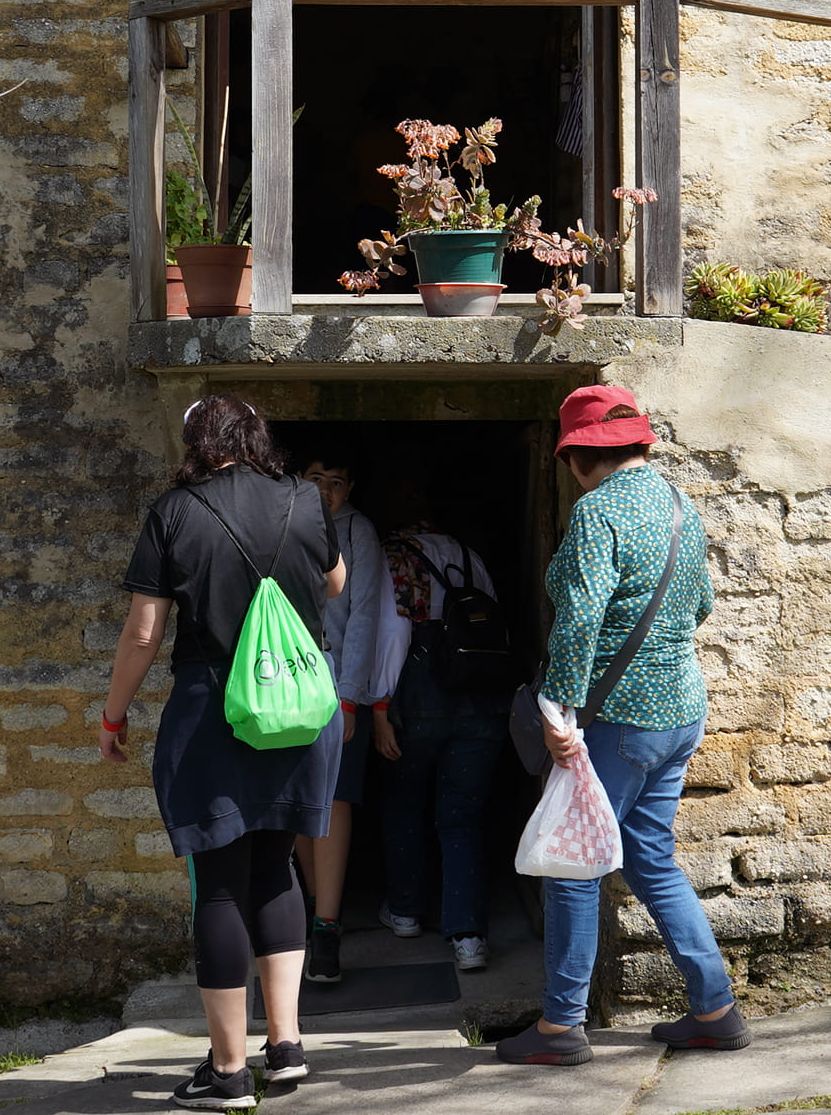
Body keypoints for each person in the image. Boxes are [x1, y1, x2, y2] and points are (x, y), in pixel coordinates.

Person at [99, 396, 348, 1110]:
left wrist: (114, 715)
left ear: (196, 442)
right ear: (254, 436)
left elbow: (145, 633)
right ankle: (288, 1044)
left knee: (220, 883)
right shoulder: (304, 497)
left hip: (215, 714)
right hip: (299, 713)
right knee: (274, 867)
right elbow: (333, 583)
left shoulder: (174, 512)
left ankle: (230, 1071)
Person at [496, 384, 746, 1066]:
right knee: (649, 858)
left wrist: (558, 713)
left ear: (577, 456)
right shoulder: (678, 505)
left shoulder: (596, 512)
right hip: (679, 711)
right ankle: (714, 1008)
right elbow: (701, 605)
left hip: (617, 721)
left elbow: (578, 621)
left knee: (573, 868)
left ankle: (560, 1027)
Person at [369, 483, 513, 974]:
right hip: (482, 702)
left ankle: (406, 911)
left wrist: (380, 705)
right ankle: (469, 937)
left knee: (404, 803)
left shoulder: (393, 557)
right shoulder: (469, 555)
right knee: (463, 815)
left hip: (420, 698)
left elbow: (392, 634)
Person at [292, 454, 389, 986]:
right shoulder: (283, 521)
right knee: (296, 799)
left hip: (333, 681)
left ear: (350, 487)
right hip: (284, 681)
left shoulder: (358, 531)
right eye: (316, 480)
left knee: (334, 796)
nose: (327, 491)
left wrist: (351, 696)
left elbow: (366, 611)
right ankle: (311, 908)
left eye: (336, 481)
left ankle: (327, 925)